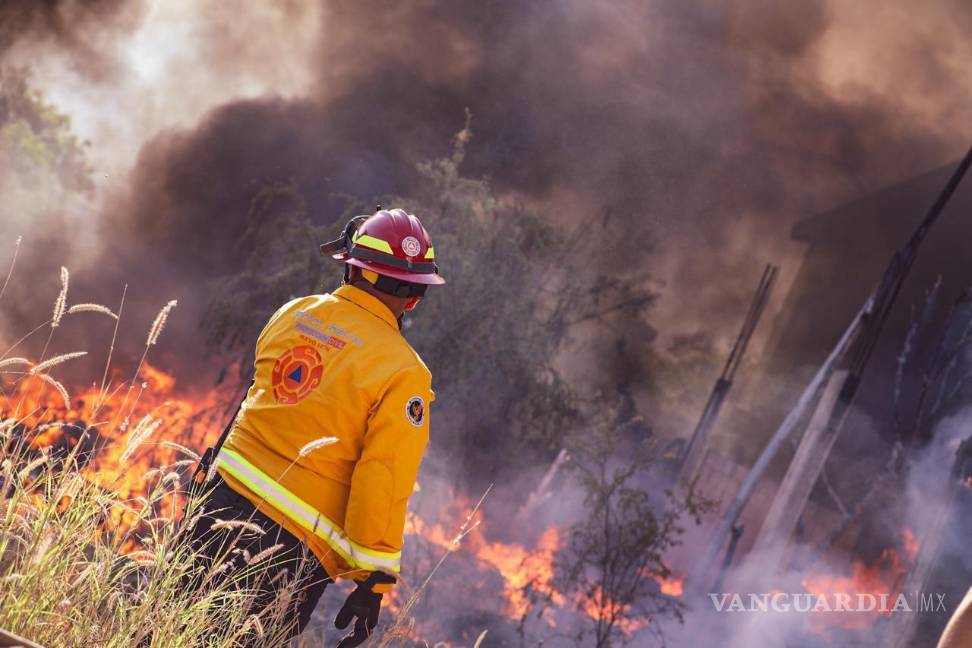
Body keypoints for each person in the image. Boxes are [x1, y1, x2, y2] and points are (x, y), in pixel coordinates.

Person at [183, 208, 444, 646]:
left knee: (165, 631)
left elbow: (256, 395)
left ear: (351, 266)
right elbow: (382, 476)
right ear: (414, 297)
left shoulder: (293, 312)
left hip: (217, 505)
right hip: (289, 552)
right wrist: (373, 580)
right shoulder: (404, 373)